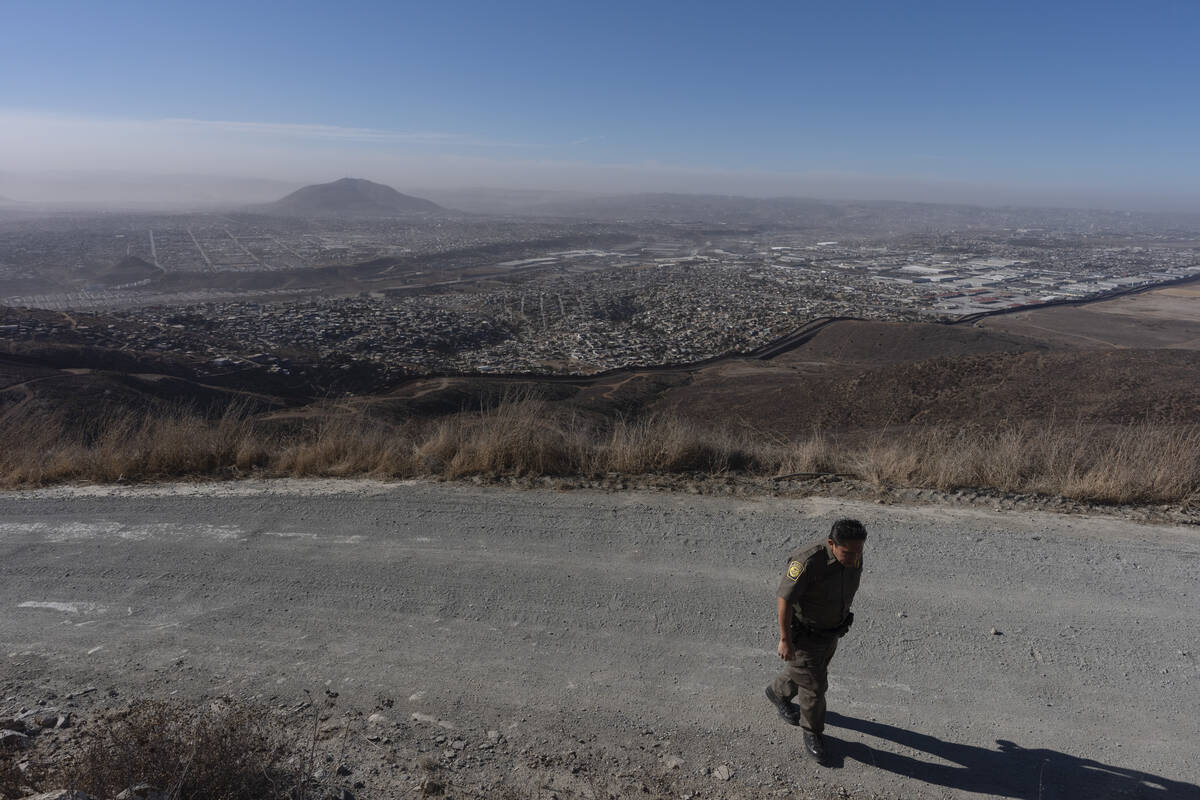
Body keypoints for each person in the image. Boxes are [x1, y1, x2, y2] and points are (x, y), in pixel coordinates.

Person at [765, 518, 866, 763]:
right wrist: (785, 639)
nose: (854, 558)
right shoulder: (807, 561)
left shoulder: (853, 552)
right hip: (805, 634)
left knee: (809, 670)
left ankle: (777, 692)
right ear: (832, 543)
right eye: (848, 553)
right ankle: (812, 731)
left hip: (831, 631)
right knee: (814, 687)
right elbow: (785, 600)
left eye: (858, 551)